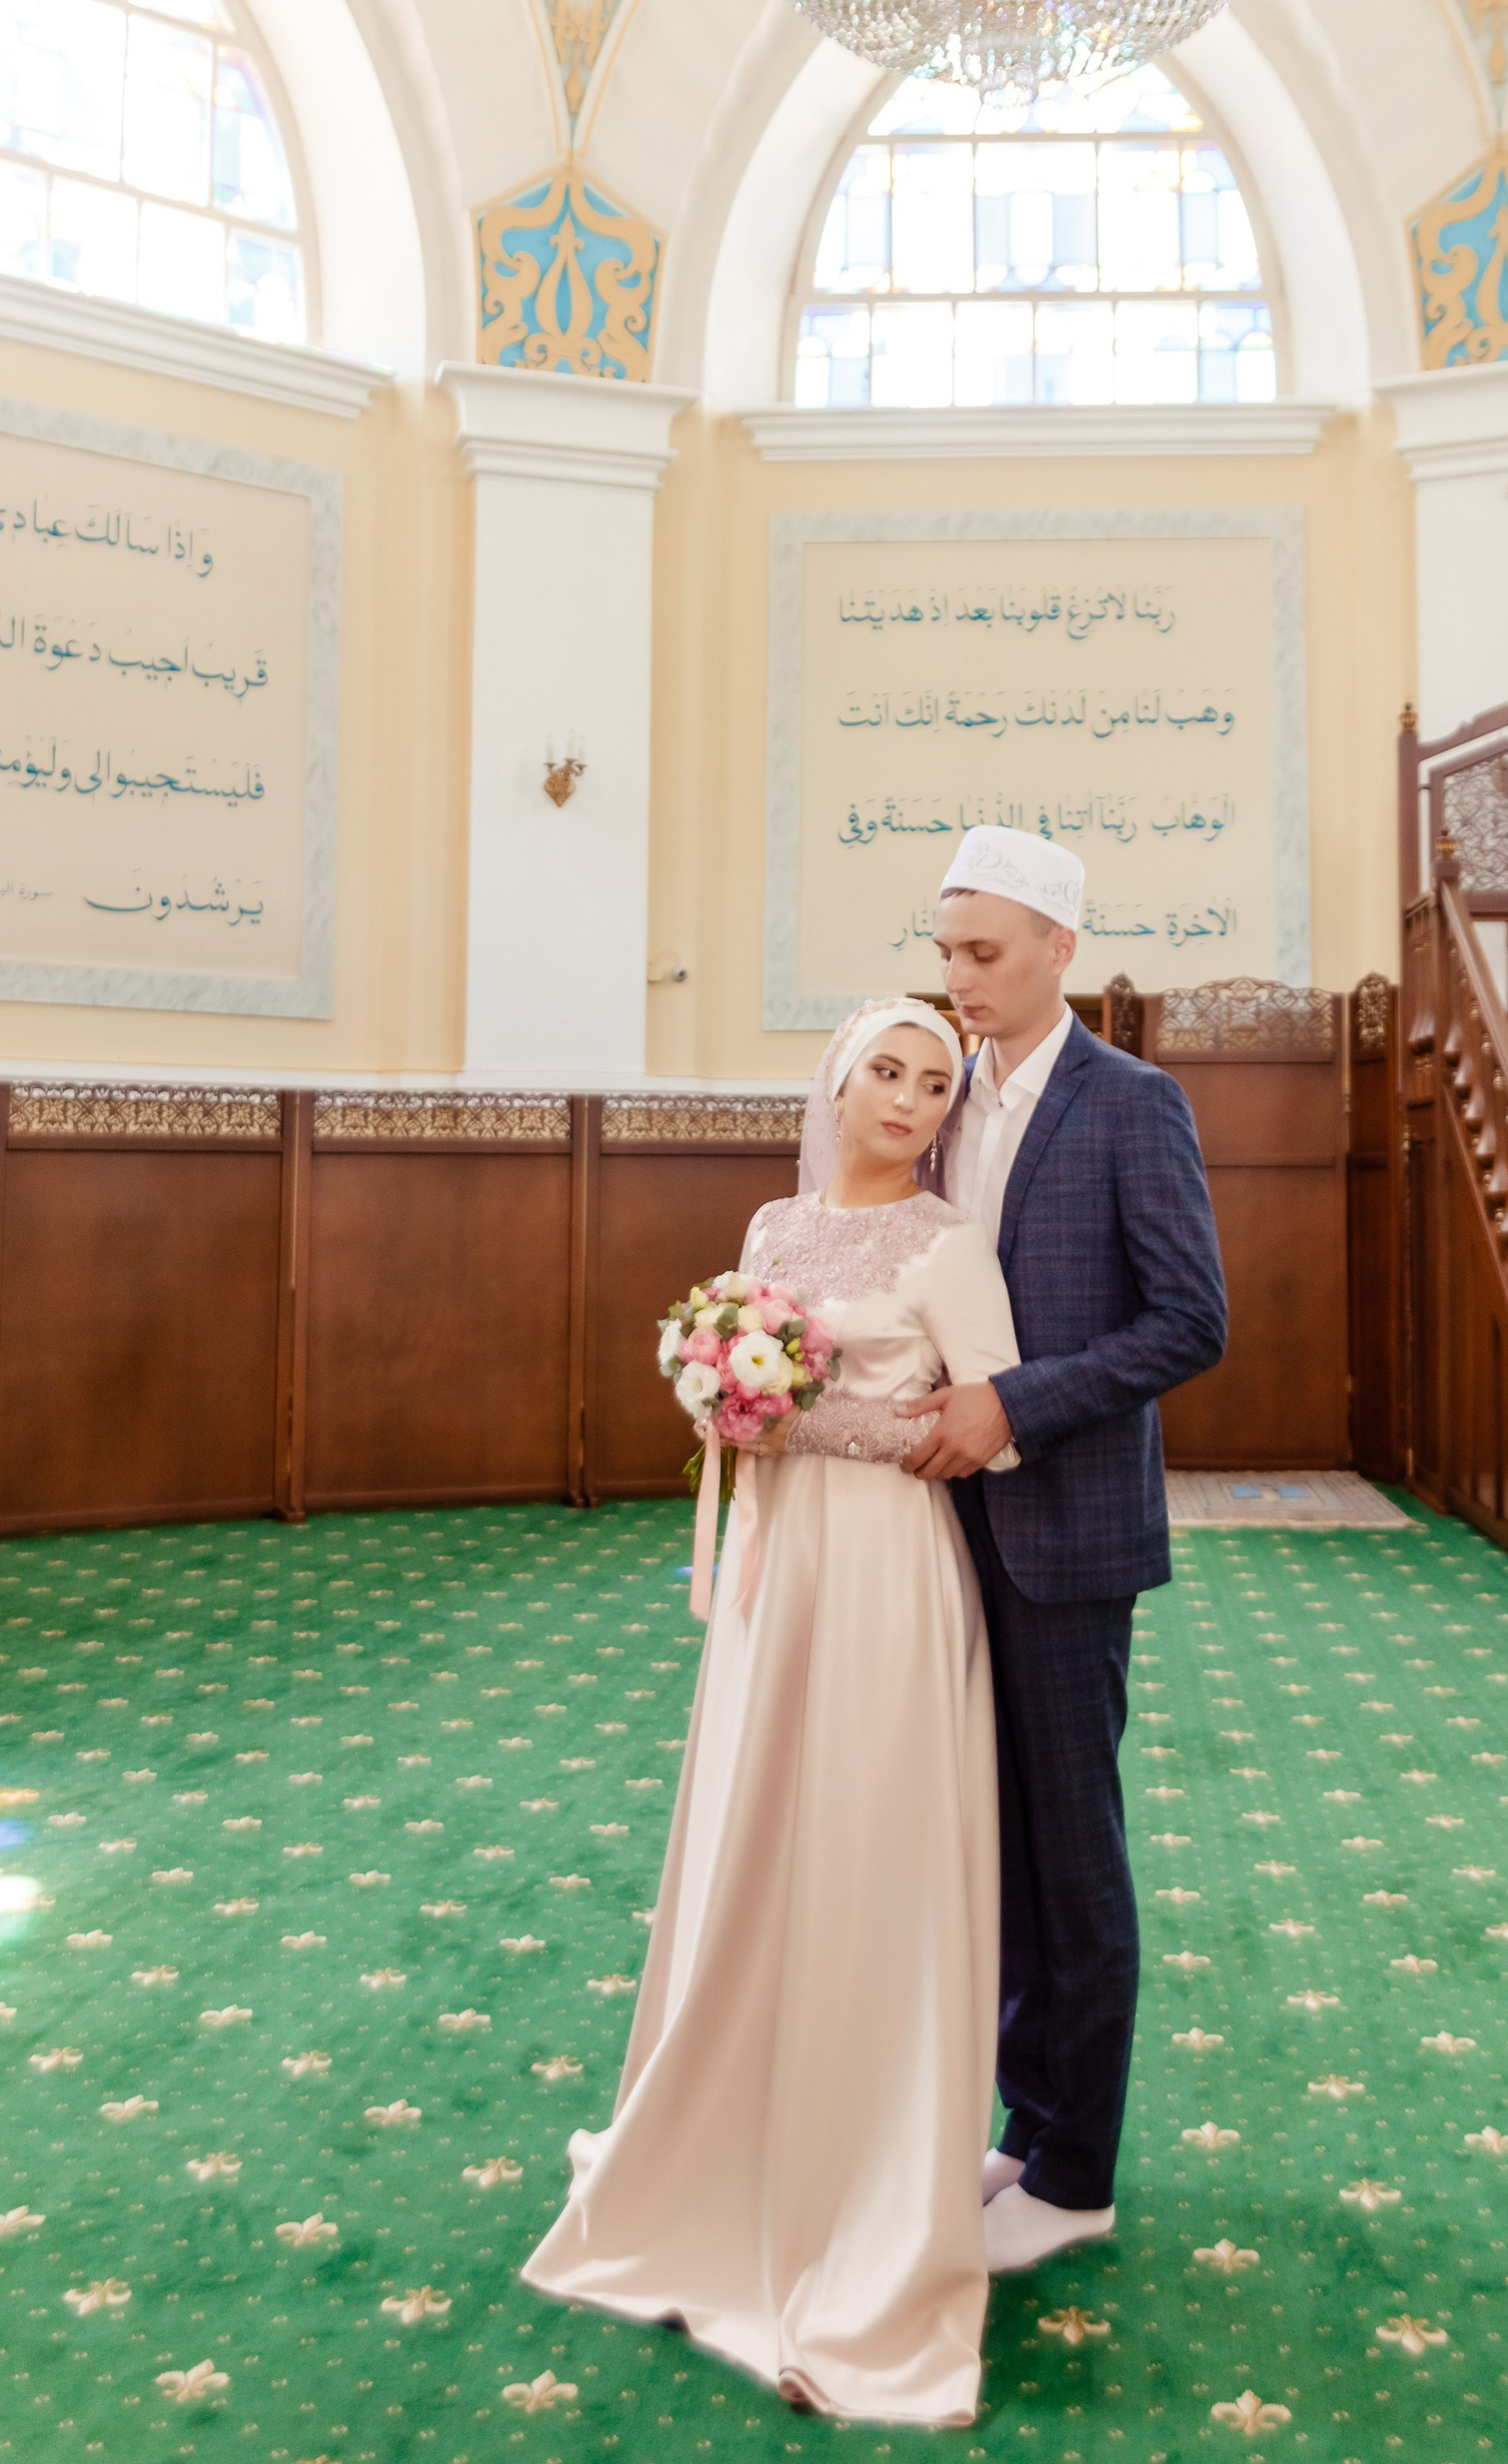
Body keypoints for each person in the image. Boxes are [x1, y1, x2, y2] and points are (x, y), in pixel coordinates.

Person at [521, 997, 1020, 2430]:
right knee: (756, 1831)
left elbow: (983, 1429)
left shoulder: (949, 1245)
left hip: (887, 1572)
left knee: (865, 1843)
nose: (910, 1099)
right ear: (839, 1081)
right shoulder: (772, 1226)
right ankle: (719, 2142)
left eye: (937, 1082)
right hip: (777, 1563)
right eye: (888, 1071)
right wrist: (725, 1397)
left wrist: (796, 1414)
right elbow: (738, 1392)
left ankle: (864, 2197)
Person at [901, 825, 1228, 2276]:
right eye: (946, 953)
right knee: (1000, 1849)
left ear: (1059, 950)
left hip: (1067, 1531)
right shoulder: (941, 1097)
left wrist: (1013, 1406)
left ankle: (1078, 2174)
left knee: (1075, 1860)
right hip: (943, 1528)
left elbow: (1190, 1322)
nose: (959, 980)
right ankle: (1029, 2128)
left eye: (983, 952)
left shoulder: (1132, 1103)